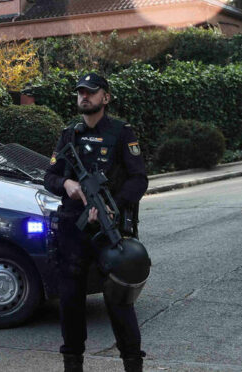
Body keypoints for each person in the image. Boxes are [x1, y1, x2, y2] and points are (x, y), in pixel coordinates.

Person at [44, 72, 148, 372]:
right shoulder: (70, 134)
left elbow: (139, 179)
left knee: (118, 300)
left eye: (91, 91)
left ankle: (132, 363)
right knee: (70, 301)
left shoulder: (121, 132)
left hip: (108, 230)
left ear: (106, 97)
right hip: (72, 230)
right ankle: (72, 364)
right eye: (80, 92)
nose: (84, 96)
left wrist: (112, 207)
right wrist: (67, 185)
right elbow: (49, 176)